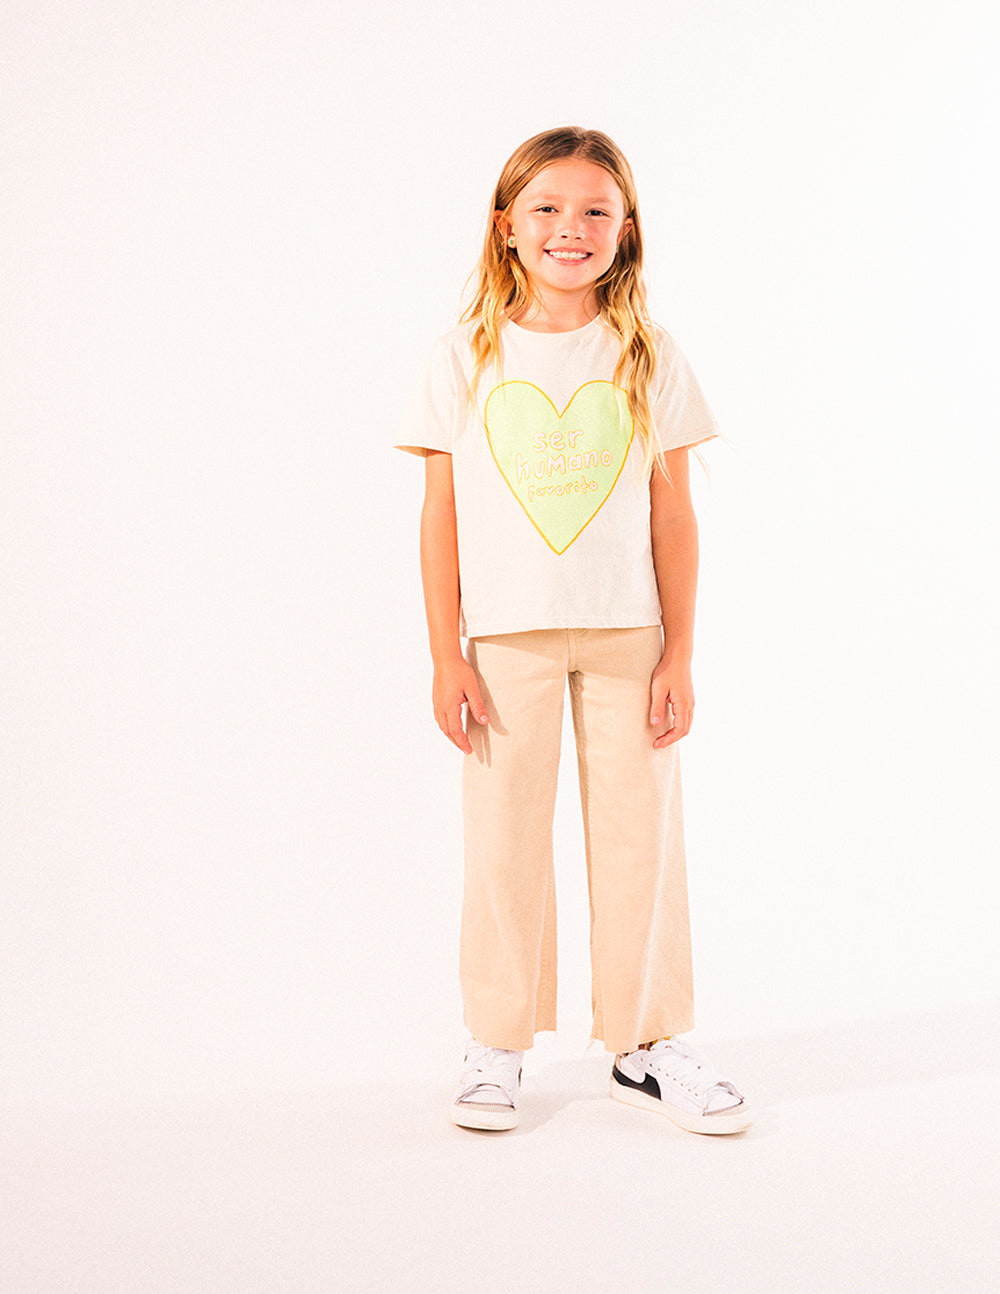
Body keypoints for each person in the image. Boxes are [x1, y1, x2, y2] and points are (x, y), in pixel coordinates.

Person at [396, 126, 752, 1135]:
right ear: (506, 226)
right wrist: (445, 652)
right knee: (503, 840)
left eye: (596, 210)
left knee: (642, 837)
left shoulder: (647, 354)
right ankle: (496, 1040)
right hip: (505, 642)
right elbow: (439, 517)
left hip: (628, 636)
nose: (571, 228)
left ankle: (647, 1042)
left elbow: (674, 518)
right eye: (547, 208)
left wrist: (680, 650)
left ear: (624, 229)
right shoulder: (464, 356)